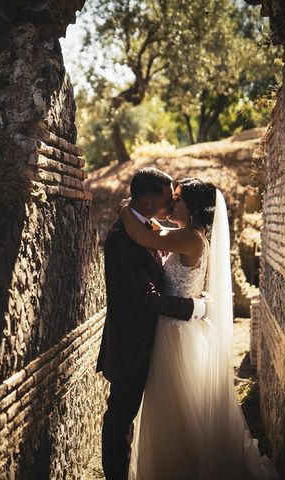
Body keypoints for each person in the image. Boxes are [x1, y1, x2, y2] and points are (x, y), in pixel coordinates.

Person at [120, 177, 277, 480]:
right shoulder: (186, 234)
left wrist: (127, 209)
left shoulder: (190, 238)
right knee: (175, 406)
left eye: (177, 199)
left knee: (180, 404)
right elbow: (155, 231)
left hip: (178, 332)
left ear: (192, 207)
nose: (171, 204)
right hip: (174, 326)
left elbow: (144, 238)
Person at [96, 168, 209, 480]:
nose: (171, 207)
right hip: (133, 344)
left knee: (176, 414)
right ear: (146, 204)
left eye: (176, 201)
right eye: (167, 201)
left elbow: (153, 243)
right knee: (120, 417)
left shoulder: (152, 229)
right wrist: (194, 307)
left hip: (164, 340)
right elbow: (143, 298)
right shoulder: (123, 238)